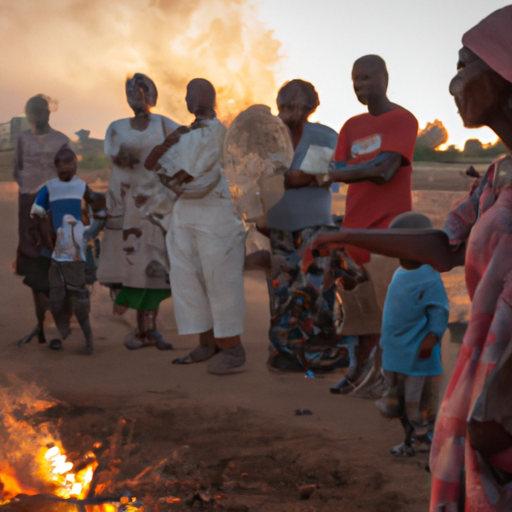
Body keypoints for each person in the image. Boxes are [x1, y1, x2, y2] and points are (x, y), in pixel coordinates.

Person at [312, 8, 512, 509]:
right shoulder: (497, 176)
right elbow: (444, 246)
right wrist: (338, 236)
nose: (453, 82)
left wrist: (501, 409)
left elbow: (375, 173)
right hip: (487, 374)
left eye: (466, 65)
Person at [326, 55, 419, 395]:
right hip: (354, 231)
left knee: (389, 311)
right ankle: (357, 371)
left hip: (388, 232)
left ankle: (387, 376)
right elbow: (336, 168)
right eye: (355, 79)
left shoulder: (402, 120)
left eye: (366, 77)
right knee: (358, 309)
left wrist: (346, 170)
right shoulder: (350, 126)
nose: (359, 85)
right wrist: (347, 170)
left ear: (384, 78)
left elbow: (385, 170)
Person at [144, 78, 247, 374]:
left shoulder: (222, 134)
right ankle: (208, 343)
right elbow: (155, 165)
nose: (195, 99)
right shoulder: (183, 134)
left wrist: (176, 178)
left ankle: (233, 349)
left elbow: (195, 178)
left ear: (213, 99)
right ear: (187, 102)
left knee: (220, 280)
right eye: (190, 95)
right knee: (189, 280)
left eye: (201, 94)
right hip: (185, 214)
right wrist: (170, 154)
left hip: (217, 214)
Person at [262, 79, 354, 372]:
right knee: (280, 289)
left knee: (314, 289)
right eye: (286, 103)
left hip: (314, 227)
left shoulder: (325, 135)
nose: (291, 110)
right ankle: (285, 350)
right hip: (275, 228)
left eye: (298, 104)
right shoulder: (266, 137)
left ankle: (319, 348)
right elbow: (256, 178)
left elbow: (322, 175)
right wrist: (297, 179)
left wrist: (302, 179)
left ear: (312, 107)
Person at [97, 73, 178, 350]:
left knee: (155, 270)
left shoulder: (167, 125)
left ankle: (150, 329)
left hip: (156, 209)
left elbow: (183, 149)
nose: (138, 94)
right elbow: (121, 159)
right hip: (126, 208)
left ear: (154, 95)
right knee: (131, 269)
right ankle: (141, 329)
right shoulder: (116, 128)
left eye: (143, 89)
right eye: (133, 90)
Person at [374, 212, 448, 457]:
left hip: (418, 357)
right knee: (399, 405)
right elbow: (392, 316)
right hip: (396, 354)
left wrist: (433, 337)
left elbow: (439, 311)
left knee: (417, 407)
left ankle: (425, 442)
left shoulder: (430, 279)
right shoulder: (399, 274)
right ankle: (409, 441)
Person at [30, 148, 106, 353]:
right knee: (54, 296)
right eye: (60, 165)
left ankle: (88, 340)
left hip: (76, 247)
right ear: (55, 167)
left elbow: (100, 210)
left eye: (68, 164)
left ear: (75, 165)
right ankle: (58, 335)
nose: (64, 169)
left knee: (79, 295)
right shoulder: (49, 187)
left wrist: (90, 233)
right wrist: (45, 233)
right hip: (51, 247)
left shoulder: (81, 186)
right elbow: (36, 212)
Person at [13, 95, 71, 346]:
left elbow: (68, 173)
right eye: (31, 113)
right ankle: (41, 326)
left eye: (40, 112)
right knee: (35, 268)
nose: (36, 117)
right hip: (28, 210)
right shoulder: (23, 139)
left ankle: (60, 327)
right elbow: (18, 170)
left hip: (55, 208)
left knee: (59, 266)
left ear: (48, 113)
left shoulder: (61, 141)